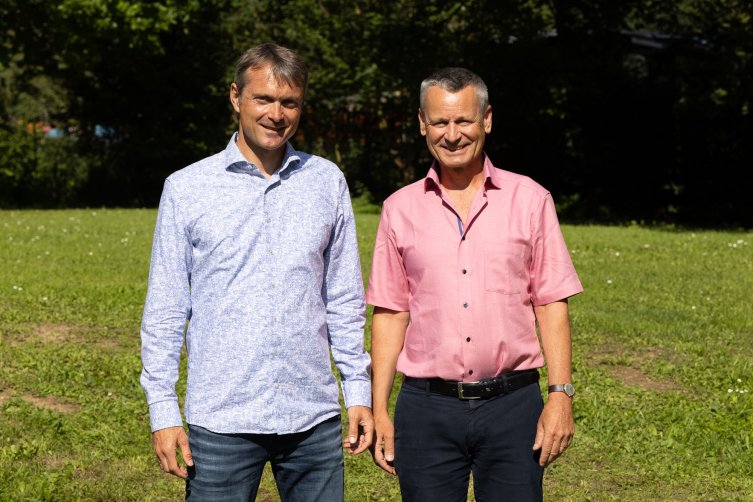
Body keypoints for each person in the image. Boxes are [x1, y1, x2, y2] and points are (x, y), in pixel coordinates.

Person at [140, 43, 373, 501]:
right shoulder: (187, 188)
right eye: (263, 99)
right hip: (221, 420)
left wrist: (358, 391)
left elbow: (344, 299)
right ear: (236, 97)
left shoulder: (326, 182)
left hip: (312, 418)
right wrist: (162, 409)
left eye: (289, 102)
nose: (276, 114)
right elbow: (166, 309)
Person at [366, 67, 583, 501]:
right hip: (426, 410)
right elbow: (391, 313)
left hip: (513, 406)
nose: (452, 135)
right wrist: (379, 410)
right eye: (440, 122)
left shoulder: (531, 200)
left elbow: (550, 303)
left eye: (463, 121)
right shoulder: (399, 209)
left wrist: (560, 395)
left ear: (486, 119)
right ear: (422, 124)